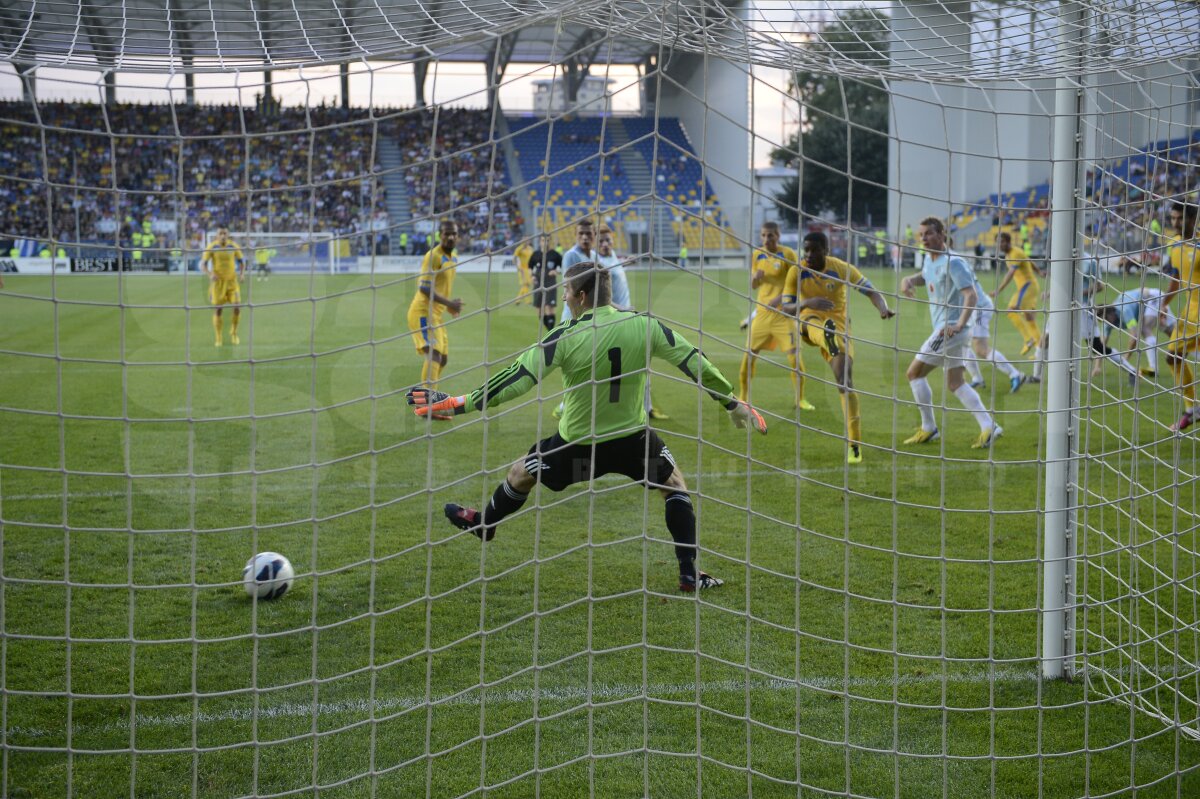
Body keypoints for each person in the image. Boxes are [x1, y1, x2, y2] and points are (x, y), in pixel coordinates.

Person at [405, 262, 768, 592]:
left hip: (576, 450)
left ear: (580, 296)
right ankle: (689, 573)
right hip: (633, 445)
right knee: (674, 486)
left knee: (519, 473)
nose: (563, 296)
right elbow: (693, 360)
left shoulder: (564, 335)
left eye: (566, 291)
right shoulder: (645, 324)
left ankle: (485, 524)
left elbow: (518, 378)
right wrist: (731, 401)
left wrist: (459, 402)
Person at [777, 231, 894, 464]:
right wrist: (807, 303)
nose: (808, 255)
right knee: (811, 323)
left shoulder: (840, 268)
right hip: (809, 322)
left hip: (840, 329)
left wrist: (883, 308)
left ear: (826, 251)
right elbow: (786, 308)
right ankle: (825, 335)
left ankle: (854, 444)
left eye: (814, 250)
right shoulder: (796, 271)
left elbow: (870, 290)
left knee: (844, 380)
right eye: (806, 250)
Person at [900, 217, 1001, 448]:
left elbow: (971, 295)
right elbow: (925, 276)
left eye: (928, 234)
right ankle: (988, 425)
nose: (924, 238)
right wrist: (908, 279)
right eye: (921, 234)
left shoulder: (954, 262)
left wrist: (959, 324)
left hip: (950, 330)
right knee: (955, 383)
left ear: (942, 234)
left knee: (914, 373)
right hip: (950, 329)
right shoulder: (929, 258)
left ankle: (929, 428)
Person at [596, 225, 668, 420]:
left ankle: (647, 408)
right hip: (614, 320)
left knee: (641, 362)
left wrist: (624, 262)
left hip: (626, 319)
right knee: (620, 366)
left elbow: (615, 267)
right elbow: (600, 297)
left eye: (607, 240)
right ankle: (629, 410)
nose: (605, 244)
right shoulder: (598, 264)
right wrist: (623, 309)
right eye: (601, 241)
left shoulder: (611, 259)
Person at [739, 221, 812, 410]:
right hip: (762, 315)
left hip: (783, 315)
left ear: (778, 235)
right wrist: (755, 278)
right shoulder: (757, 254)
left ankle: (800, 399)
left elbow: (797, 284)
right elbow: (754, 285)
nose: (766, 239)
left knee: (794, 358)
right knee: (748, 358)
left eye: (770, 235)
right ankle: (743, 397)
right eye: (763, 235)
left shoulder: (788, 254)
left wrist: (781, 298)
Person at [406, 219, 463, 416]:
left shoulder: (453, 257)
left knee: (443, 359)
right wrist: (450, 304)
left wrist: (448, 307)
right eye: (447, 233)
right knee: (434, 355)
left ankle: (426, 401)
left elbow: (440, 287)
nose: (451, 237)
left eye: (454, 233)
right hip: (422, 312)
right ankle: (426, 404)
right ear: (440, 235)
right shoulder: (433, 256)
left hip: (436, 315)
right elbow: (424, 287)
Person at [1163, 202, 1200, 432]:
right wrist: (1163, 304)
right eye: (1173, 218)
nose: (1175, 223)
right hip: (1190, 310)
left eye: (1180, 218)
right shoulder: (1173, 244)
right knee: (1172, 358)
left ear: (1194, 220)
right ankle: (1192, 408)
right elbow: (1176, 277)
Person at [992, 231, 1046, 355]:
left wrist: (998, 290)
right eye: (997, 243)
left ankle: (1028, 340)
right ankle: (1040, 351)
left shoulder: (1015, 253)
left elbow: (1010, 274)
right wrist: (1039, 272)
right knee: (1029, 318)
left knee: (1011, 310)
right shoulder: (1010, 254)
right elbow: (1029, 261)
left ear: (1008, 242)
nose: (999, 245)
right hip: (1030, 287)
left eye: (1002, 242)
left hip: (1027, 286)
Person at [1113, 287, 1176, 377]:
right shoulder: (1116, 309)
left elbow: (1134, 337)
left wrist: (1125, 359)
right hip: (1154, 298)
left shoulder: (1125, 310)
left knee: (1145, 329)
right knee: (1176, 335)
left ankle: (1153, 368)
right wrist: (1097, 366)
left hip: (1153, 297)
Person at [201, 228, 246, 346]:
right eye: (220, 233)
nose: (222, 236)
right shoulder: (211, 247)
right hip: (218, 284)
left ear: (228, 235)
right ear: (216, 235)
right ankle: (218, 337)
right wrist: (210, 274)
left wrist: (242, 274)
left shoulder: (233, 246)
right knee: (218, 310)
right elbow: (204, 265)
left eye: (225, 233)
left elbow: (241, 261)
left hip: (232, 282)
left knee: (237, 307)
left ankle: (234, 333)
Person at [559, 219, 596, 325]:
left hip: (588, 315)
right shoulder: (571, 255)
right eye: (581, 233)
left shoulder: (594, 256)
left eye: (588, 233)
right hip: (573, 316)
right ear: (575, 235)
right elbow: (570, 286)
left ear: (595, 234)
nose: (584, 237)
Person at [529, 233, 563, 332]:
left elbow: (563, 266)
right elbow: (530, 267)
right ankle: (550, 332)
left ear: (550, 241)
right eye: (543, 240)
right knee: (539, 310)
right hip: (538, 283)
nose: (545, 243)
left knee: (549, 307)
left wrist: (556, 271)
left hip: (550, 283)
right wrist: (532, 276)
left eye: (548, 240)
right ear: (540, 242)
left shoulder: (555, 254)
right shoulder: (535, 254)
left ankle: (551, 332)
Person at [513, 238, 535, 305]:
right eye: (525, 241)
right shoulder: (519, 249)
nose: (527, 242)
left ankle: (517, 300)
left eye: (528, 240)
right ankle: (527, 301)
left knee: (527, 284)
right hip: (522, 269)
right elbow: (514, 258)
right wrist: (518, 267)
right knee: (525, 284)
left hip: (529, 269)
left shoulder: (530, 248)